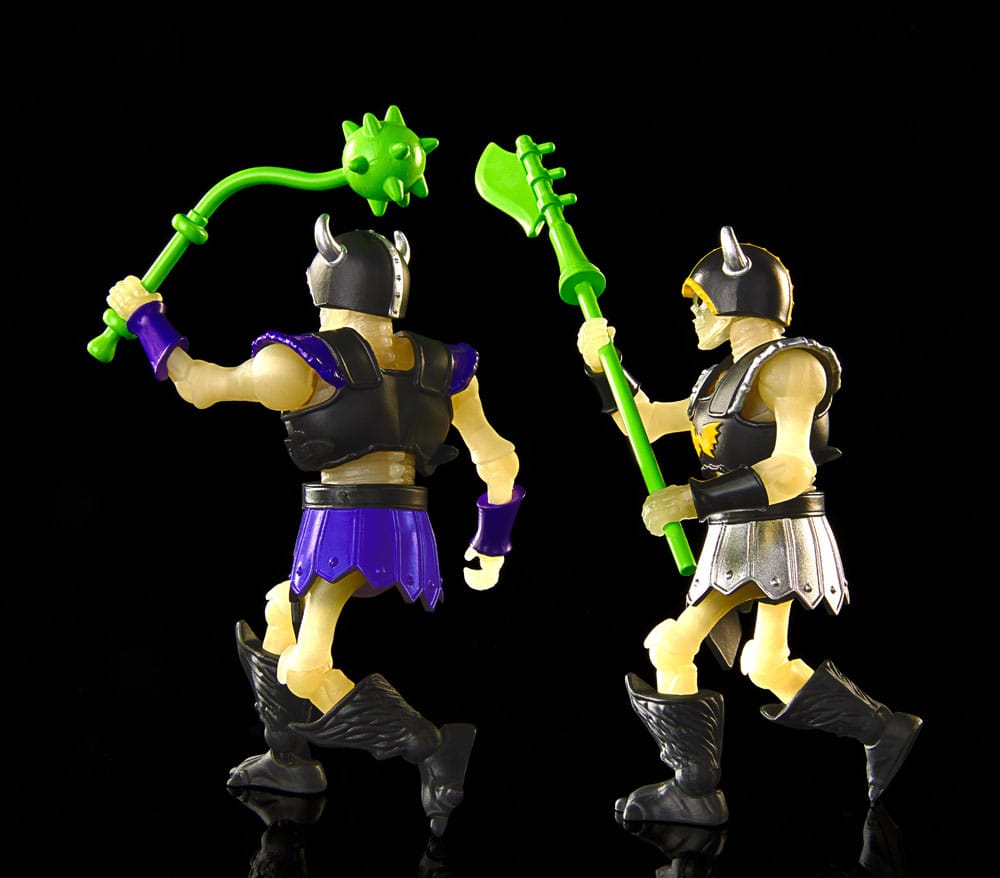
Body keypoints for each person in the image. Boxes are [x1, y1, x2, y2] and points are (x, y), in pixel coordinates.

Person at [108, 213, 524, 836]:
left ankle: (432, 746)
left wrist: (144, 317)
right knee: (281, 610)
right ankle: (288, 759)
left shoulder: (301, 364)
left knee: (304, 665)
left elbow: (197, 385)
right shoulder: (442, 366)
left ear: (326, 279)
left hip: (344, 527)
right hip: (406, 527)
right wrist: (491, 544)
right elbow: (499, 458)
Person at [577, 226, 920, 827]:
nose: (694, 315)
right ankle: (883, 730)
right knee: (766, 664)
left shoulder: (793, 367)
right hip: (735, 531)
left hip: (777, 531)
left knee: (673, 644)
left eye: (701, 303)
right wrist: (603, 365)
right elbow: (643, 424)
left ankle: (694, 790)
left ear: (737, 300)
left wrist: (694, 498)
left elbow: (794, 467)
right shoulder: (716, 381)